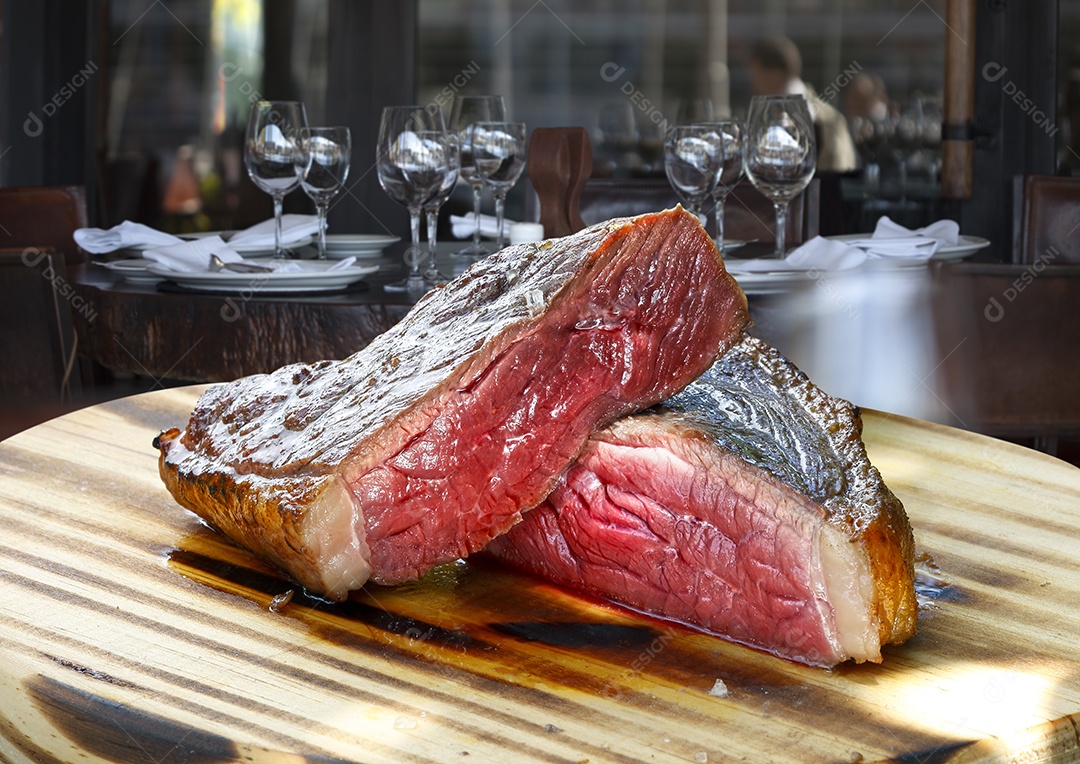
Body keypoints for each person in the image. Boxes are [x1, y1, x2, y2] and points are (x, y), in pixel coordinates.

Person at [748, 35, 858, 173]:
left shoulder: (825, 121)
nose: (752, 82)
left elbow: (836, 175)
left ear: (775, 73)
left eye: (756, 73)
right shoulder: (770, 112)